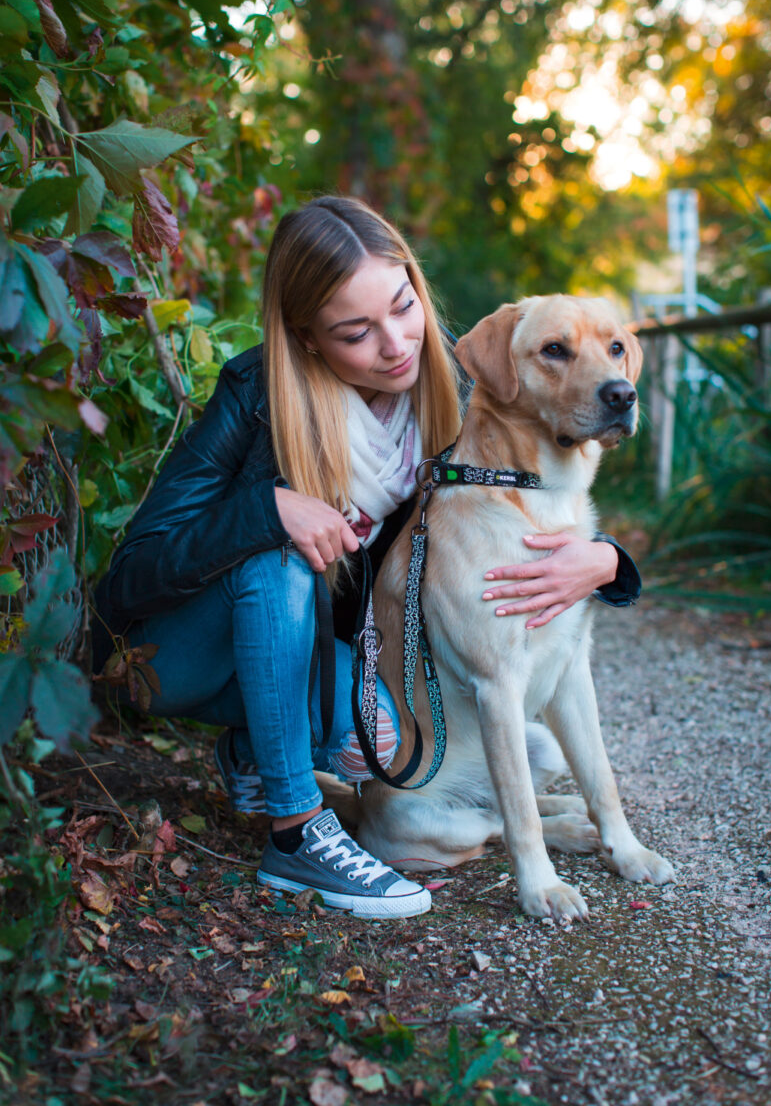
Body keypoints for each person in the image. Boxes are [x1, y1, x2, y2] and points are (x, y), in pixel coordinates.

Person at [92, 195, 640, 919]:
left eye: (404, 305)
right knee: (277, 558)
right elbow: (130, 578)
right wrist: (266, 508)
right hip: (174, 655)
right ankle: (296, 835)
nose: (397, 344)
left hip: (299, 648)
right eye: (357, 331)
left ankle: (259, 745)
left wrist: (605, 561)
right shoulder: (256, 394)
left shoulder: (444, 384)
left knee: (390, 737)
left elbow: (526, 484)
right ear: (309, 338)